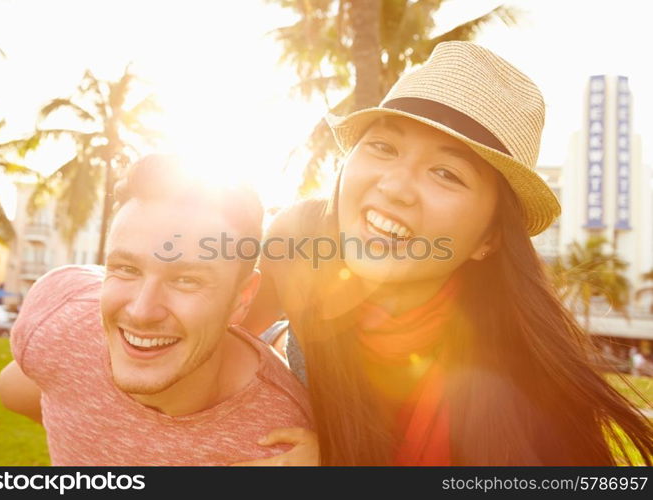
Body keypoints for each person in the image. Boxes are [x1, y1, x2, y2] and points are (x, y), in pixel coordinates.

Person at [242, 41, 653, 465]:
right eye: (383, 147)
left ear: (488, 239)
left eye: (446, 173)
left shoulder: (534, 407)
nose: (395, 188)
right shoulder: (293, 246)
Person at [0, 154, 311, 466]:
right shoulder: (60, 316)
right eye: (127, 268)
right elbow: (17, 389)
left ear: (241, 298)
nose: (141, 311)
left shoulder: (280, 445)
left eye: (187, 280)